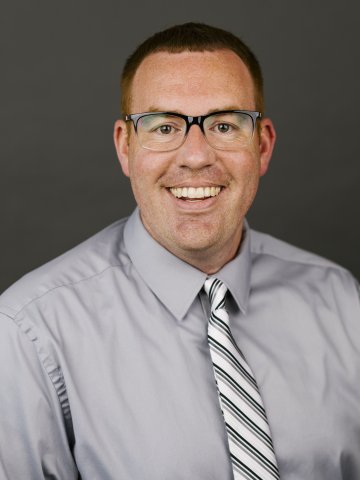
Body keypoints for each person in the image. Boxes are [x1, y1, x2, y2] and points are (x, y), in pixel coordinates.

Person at [0, 22, 359, 480]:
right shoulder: (29, 334)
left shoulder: (341, 300)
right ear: (125, 147)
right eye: (164, 126)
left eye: (225, 125)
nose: (195, 156)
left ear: (263, 145)